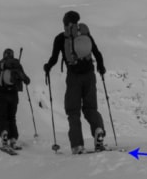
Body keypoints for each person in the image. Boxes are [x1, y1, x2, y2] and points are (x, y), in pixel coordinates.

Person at [44, 11, 107, 153]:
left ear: (64, 23)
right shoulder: (85, 34)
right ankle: (98, 130)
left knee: (73, 112)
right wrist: (101, 67)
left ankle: (77, 145)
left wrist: (47, 67)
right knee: (91, 108)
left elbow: (54, 59)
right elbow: (96, 52)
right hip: (90, 75)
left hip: (73, 77)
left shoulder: (60, 38)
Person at [0, 48, 31, 149]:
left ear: (4, 55)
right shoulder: (17, 64)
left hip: (2, 94)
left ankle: (4, 133)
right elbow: (26, 79)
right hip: (14, 95)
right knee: (12, 117)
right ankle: (13, 139)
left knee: (2, 116)